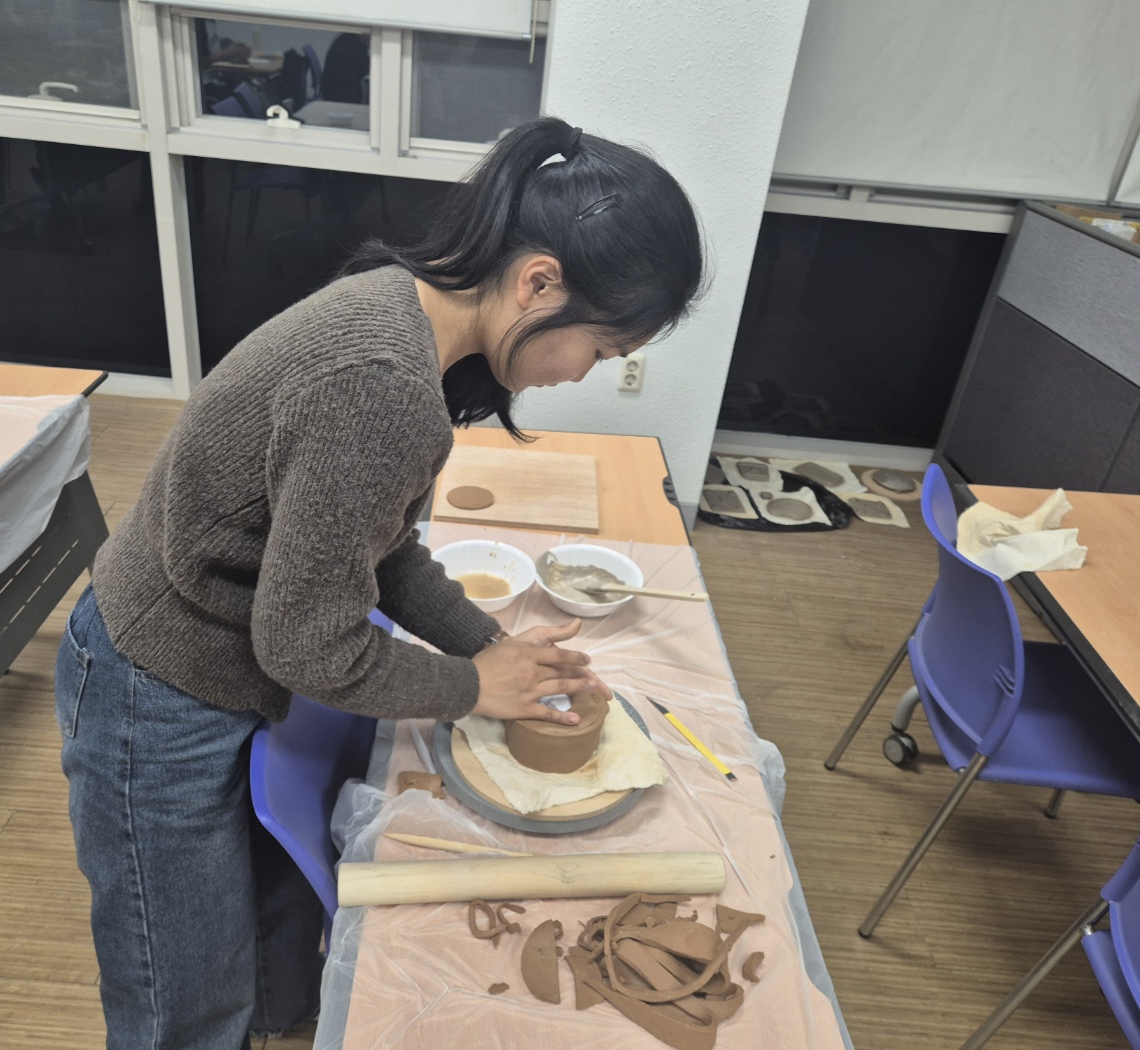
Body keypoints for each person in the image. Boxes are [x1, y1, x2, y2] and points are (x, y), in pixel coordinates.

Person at [54, 115, 704, 1050]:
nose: (584, 374)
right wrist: (472, 686)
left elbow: (381, 549)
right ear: (538, 283)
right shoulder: (381, 383)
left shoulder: (406, 314)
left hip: (219, 649)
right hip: (155, 679)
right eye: (600, 350)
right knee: (183, 994)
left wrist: (488, 644)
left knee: (261, 939)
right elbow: (308, 645)